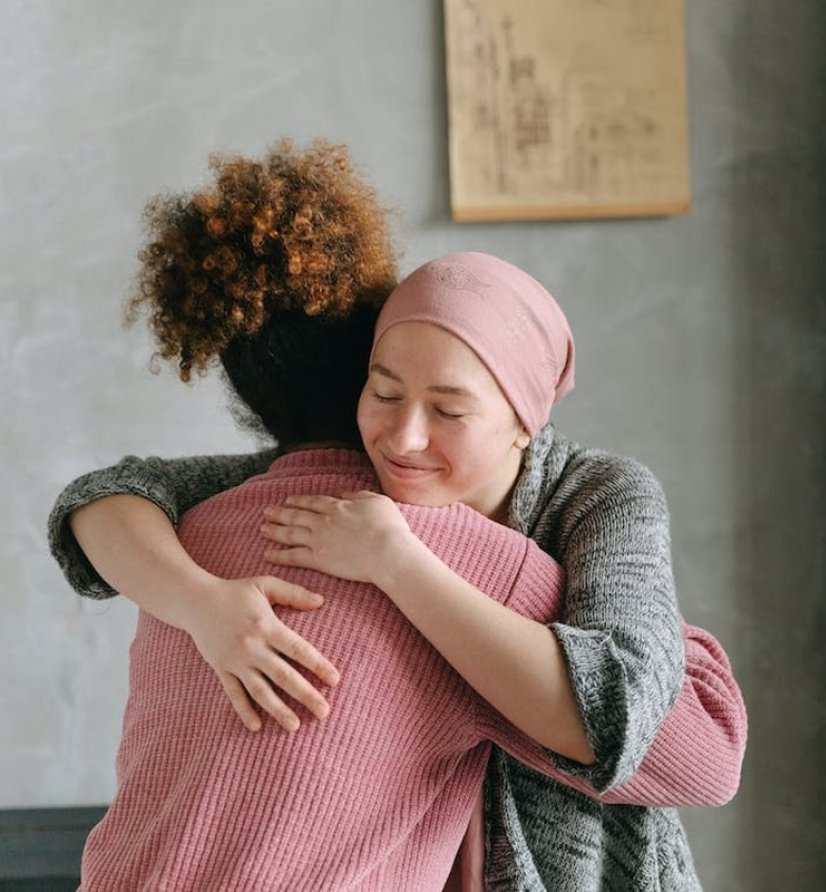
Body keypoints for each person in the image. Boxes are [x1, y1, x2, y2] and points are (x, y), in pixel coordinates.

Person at [49, 144, 746, 891]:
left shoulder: (595, 498)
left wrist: (399, 562)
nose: (404, 437)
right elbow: (110, 492)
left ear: (524, 423)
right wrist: (206, 605)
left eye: (448, 410)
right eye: (383, 393)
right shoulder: (313, 498)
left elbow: (657, 733)